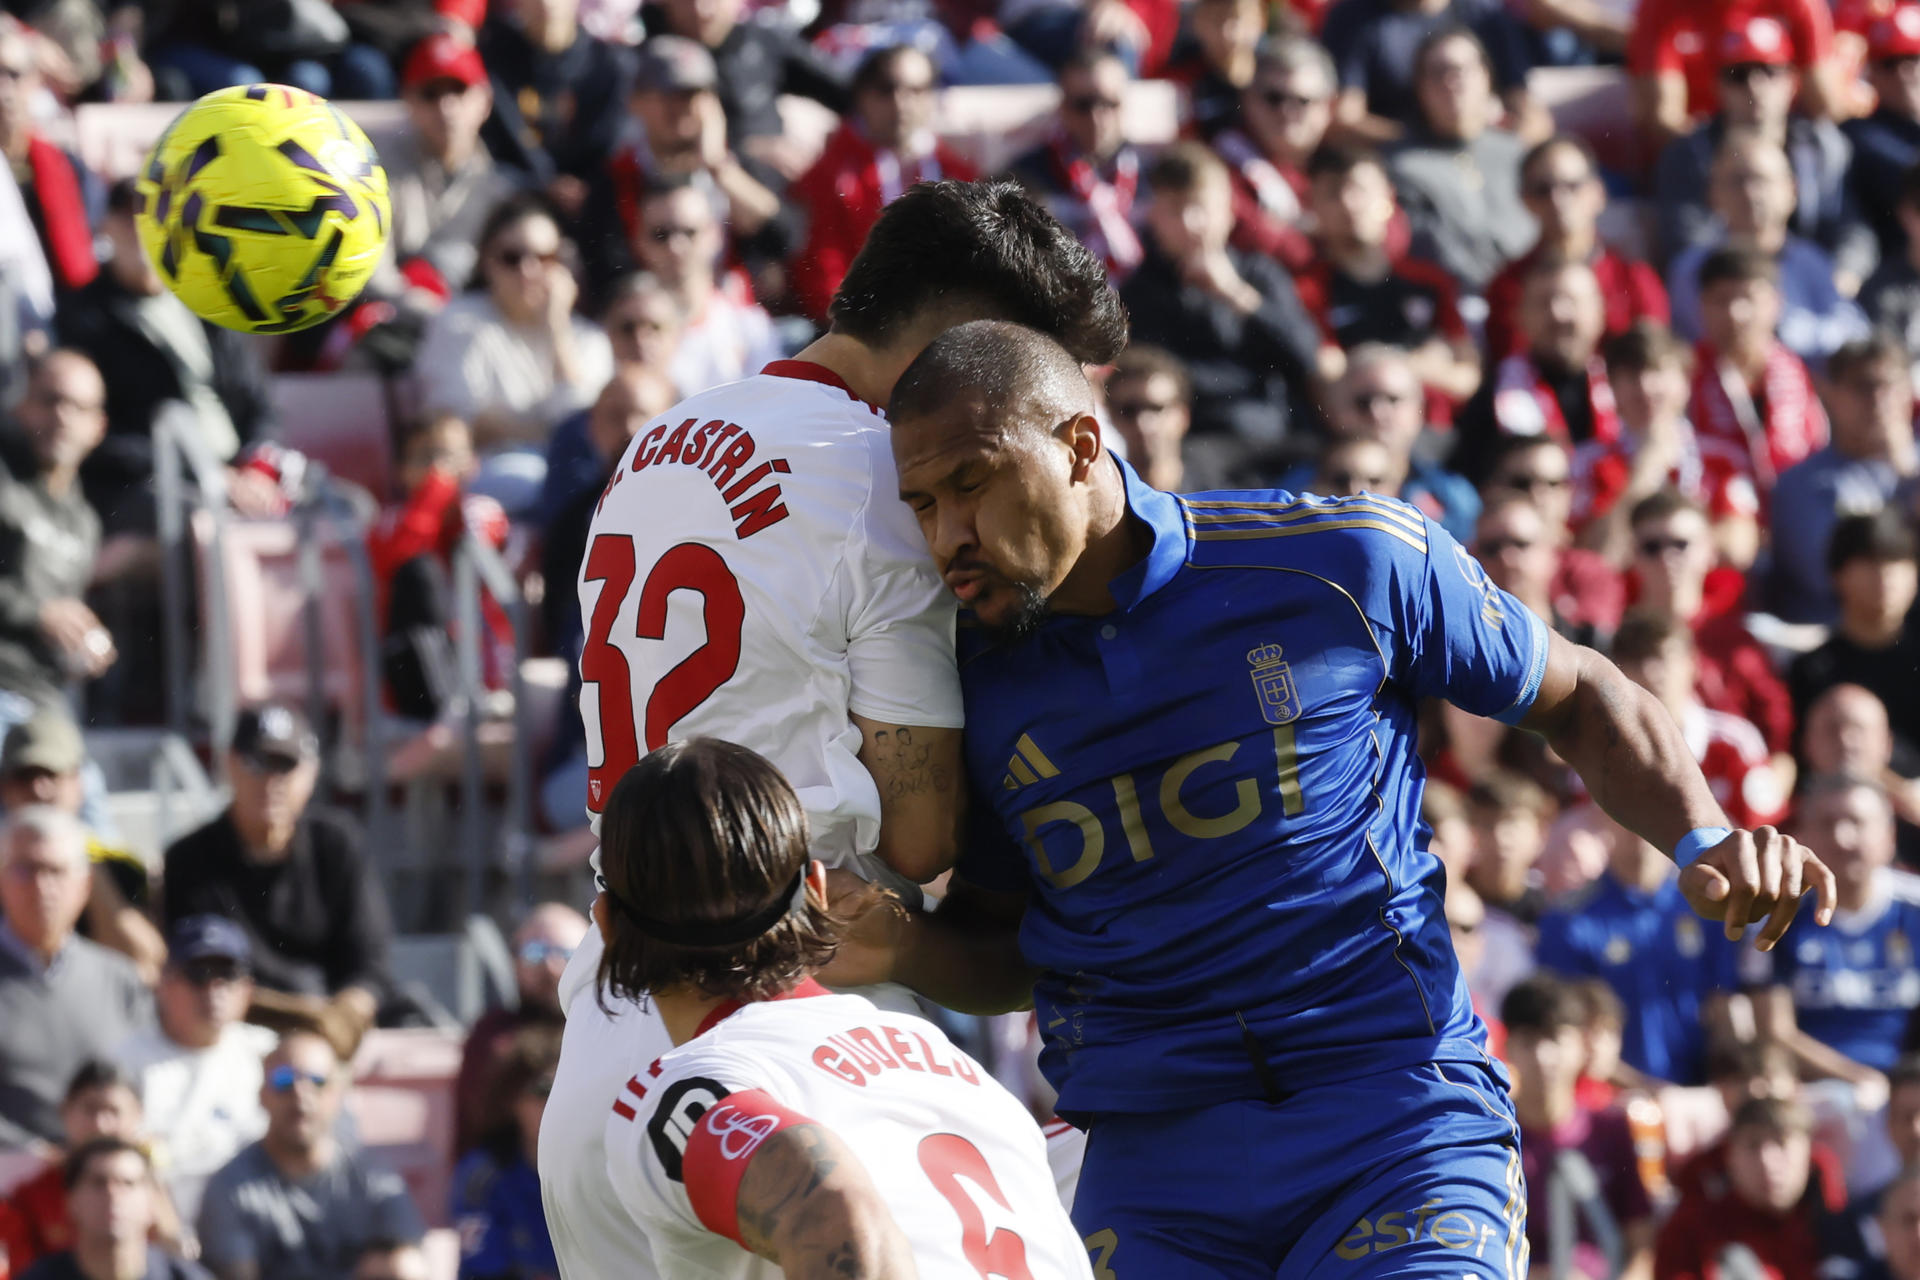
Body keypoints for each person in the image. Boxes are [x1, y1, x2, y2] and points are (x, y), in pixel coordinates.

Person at [859, 316, 1837, 1273]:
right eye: (922, 505)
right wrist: (897, 942)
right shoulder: (965, 686)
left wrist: (1701, 833)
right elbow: (1006, 948)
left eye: (972, 484)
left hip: (1394, 1121)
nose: (949, 536)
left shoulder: (1340, 560)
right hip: (1153, 1172)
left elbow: (1579, 693)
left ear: (1080, 446)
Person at [541, 178, 1126, 1280]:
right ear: (964, 340)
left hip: (616, 1000)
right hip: (788, 1014)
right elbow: (916, 839)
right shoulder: (882, 475)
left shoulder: (661, 434)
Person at [593, 738, 1095, 1277]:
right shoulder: (954, 1067)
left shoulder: (689, 1093)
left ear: (606, 925)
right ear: (816, 890)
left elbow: (834, 1213)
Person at [162, 705, 394, 1061]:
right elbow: (194, 975)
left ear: (311, 773)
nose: (271, 780)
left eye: (285, 765)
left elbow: (370, 967)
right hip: (227, 1043)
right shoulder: (189, 859)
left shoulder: (337, 844)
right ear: (230, 764)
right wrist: (310, 1017)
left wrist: (344, 1016)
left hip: (328, 1044)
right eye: (257, 763)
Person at [60, 181, 278, 541]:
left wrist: (256, 467)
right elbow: (100, 436)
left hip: (237, 473)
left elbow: (259, 402)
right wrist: (204, 472)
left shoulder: (207, 302)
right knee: (206, 525)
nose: (145, 229)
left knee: (348, 508)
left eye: (158, 217)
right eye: (132, 217)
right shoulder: (84, 317)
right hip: (149, 483)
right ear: (106, 226)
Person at [412, 194, 616, 504]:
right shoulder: (459, 322)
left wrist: (556, 327)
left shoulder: (588, 337)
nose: (528, 270)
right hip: (487, 476)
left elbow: (582, 430)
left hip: (573, 478)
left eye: (544, 258)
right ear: (486, 262)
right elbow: (456, 426)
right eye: (512, 257)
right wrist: (550, 434)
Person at [1117, 142, 1320, 447]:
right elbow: (1160, 376)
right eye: (1175, 209)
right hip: (1190, 445)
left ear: (1228, 212)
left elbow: (1306, 355)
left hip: (1275, 441)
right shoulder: (1140, 292)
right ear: (1155, 216)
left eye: (1200, 207)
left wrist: (1235, 295)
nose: (1190, 224)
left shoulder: (1259, 274)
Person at [1654, 18, 1873, 289]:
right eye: (1739, 75)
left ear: (1792, 81)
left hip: (1809, 287)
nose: (1755, 87)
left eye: (1769, 71)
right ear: (1718, 86)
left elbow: (1850, 230)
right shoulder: (1688, 153)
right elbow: (1687, 239)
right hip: (1726, 288)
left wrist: (1841, 277)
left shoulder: (1824, 146)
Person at [196, 1031, 425, 1280]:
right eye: (284, 1081)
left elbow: (408, 1259)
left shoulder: (372, 1176)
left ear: (338, 1095)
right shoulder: (231, 1187)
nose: (300, 1094)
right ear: (262, 1096)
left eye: (317, 1081)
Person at [1536, 813, 1741, 1084]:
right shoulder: (1568, 921)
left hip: (1702, 1098)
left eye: (1655, 811)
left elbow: (1723, 1007)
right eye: (1628, 811)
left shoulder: (1706, 906)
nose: (1642, 827)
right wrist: (1651, 1093)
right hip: (1612, 1103)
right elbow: (1569, 1032)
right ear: (1605, 819)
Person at [1746, 775, 1920, 1089]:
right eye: (1827, 824)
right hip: (1813, 1094)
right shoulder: (1778, 915)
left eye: (1856, 822)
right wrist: (1859, 1080)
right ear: (1804, 837)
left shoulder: (1914, 909)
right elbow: (1773, 1031)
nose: (1843, 837)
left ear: (1890, 836)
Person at [787, 45, 977, 323]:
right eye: (886, 89)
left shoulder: (959, 173)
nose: (901, 103)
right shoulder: (830, 174)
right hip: (858, 331)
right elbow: (821, 271)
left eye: (916, 90)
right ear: (862, 96)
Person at [586, 34, 786, 292]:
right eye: (666, 94)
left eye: (690, 95)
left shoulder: (735, 164)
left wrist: (719, 169)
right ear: (636, 101)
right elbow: (607, 268)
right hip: (652, 314)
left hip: (730, 314)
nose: (679, 108)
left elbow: (783, 239)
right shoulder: (614, 177)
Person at [0, 808, 148, 1154]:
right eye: (27, 869)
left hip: (107, 1181)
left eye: (56, 871)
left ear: (84, 886)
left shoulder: (120, 979)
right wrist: (38, 1156)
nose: (42, 885)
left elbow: (145, 1081)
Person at [114, 917, 275, 1230]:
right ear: (163, 983)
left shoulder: (269, 1054)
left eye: (227, 975)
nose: (213, 990)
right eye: (198, 975)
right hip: (162, 1235)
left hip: (261, 1233)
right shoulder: (123, 1062)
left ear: (247, 989)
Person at [1291, 143, 1479, 407]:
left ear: (1389, 198)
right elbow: (1329, 378)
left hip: (1440, 431)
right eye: (1334, 192)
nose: (1349, 202)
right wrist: (1421, 364)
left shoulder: (1431, 280)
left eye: (1360, 189)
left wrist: (1362, 364)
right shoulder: (1307, 290)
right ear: (1312, 206)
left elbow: (1466, 376)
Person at [1668, 133, 1871, 369]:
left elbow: (1856, 333)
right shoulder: (1691, 269)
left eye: (1761, 180)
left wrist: (1792, 332)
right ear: (1713, 194)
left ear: (1792, 191)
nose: (1750, 193)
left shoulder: (1812, 261)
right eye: (1737, 181)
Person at [1502, 975, 1656, 1280]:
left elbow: (1642, 1244)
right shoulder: (1493, 1137)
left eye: (1555, 1038)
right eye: (1529, 1040)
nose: (1543, 1057)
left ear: (1581, 1045)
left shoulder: (1611, 1128)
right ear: (1508, 1046)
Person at [1573, 325, 1758, 567]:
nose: (1646, 387)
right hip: (1629, 603)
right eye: (1631, 375)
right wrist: (1645, 472)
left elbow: (1738, 550)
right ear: (1612, 389)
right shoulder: (1587, 462)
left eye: (1658, 371)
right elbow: (1600, 557)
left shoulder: (1723, 457)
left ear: (1686, 381)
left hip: (1713, 603)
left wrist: (1649, 545)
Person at [1626, 492, 1790, 759]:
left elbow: (1778, 743)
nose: (1668, 557)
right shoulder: (1610, 637)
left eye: (1681, 544)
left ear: (1709, 551)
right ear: (1633, 554)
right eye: (1652, 546)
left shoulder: (1737, 643)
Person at [1769, 334, 1920, 623]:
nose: (1878, 399)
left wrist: (1906, 473)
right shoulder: (1802, 484)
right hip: (1837, 640)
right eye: (1864, 386)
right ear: (1831, 393)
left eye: (1890, 385)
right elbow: (1826, 575)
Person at [1485, 135, 1670, 359]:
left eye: (1572, 186)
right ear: (1525, 201)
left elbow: (1651, 360)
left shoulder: (1634, 279)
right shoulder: (1509, 288)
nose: (1558, 199)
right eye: (1543, 189)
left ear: (1598, 194)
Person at [375, 33, 524, 302]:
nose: (446, 107)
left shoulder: (503, 190)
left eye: (458, 90)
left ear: (486, 101)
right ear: (407, 100)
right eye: (430, 93)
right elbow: (373, 272)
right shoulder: (377, 173)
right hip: (392, 319)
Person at [1385, 28, 1536, 294]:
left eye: (1463, 69)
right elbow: (1430, 249)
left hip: (1534, 292)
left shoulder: (1516, 152)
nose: (1451, 81)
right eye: (1438, 71)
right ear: (1420, 87)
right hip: (1462, 298)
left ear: (1486, 76)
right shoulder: (1401, 167)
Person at [1278, 344, 1482, 539]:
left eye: (1393, 399)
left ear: (1419, 409)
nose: (1378, 413)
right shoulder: (1293, 492)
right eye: (1364, 401)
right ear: (1335, 409)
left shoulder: (1454, 498)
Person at [0, 350, 111, 708]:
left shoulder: (85, 522)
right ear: (22, 406)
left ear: (99, 427)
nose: (63, 417)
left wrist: (81, 643)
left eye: (79, 408)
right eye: (51, 401)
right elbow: (44, 612)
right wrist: (39, 613)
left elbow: (61, 613)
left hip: (44, 699)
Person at [1612, 610, 1788, 831]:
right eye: (1635, 659)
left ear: (1692, 665)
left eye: (1661, 657)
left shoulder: (1735, 742)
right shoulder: (1602, 744)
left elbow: (1765, 830)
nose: (1650, 671)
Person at [1654, 1096, 1849, 1280]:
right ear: (1730, 1157)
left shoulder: (1844, 1228)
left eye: (1782, 1143)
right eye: (1753, 1145)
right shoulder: (1692, 1231)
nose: (1767, 1162)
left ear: (1809, 1153)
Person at [1688, 246, 1829, 492]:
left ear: (1777, 303)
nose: (1736, 314)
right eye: (1722, 300)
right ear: (1702, 305)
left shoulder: (1800, 372)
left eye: (1748, 299)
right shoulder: (1685, 375)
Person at [452, 902, 585, 1158]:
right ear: (514, 961)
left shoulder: (614, 1031)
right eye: (535, 952)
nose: (550, 965)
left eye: (567, 954)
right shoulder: (492, 1037)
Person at [1456, 257, 1614, 472]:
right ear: (1521, 316)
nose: (1559, 314)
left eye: (1572, 301)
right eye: (1543, 302)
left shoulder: (1631, 388)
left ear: (1600, 311)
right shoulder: (1491, 401)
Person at [1789, 512, 1920, 765]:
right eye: (1870, 561)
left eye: (1897, 560)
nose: (1886, 576)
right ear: (1837, 574)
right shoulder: (1814, 671)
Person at [478, 0, 633, 211]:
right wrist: (540, 184)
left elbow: (609, 147)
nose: (546, 4)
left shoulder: (610, 66)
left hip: (593, 200)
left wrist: (581, 184)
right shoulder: (492, 60)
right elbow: (492, 147)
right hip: (515, 200)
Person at [632, 180, 780, 397]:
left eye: (689, 232)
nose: (676, 246)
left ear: (715, 235)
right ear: (640, 241)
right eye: (661, 234)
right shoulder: (625, 328)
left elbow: (770, 404)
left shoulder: (748, 326)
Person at [1006, 50, 1146, 278]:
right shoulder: (1025, 176)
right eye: (1084, 105)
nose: (1097, 118)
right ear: (1063, 108)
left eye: (1109, 103)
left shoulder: (1152, 173)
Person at [1319, 0, 1537, 143]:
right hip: (1399, 166)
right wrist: (1423, 142)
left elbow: (1531, 116)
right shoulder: (1352, 18)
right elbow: (1344, 120)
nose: (1449, 82)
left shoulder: (1485, 15)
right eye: (1438, 73)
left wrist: (1497, 147)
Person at [1629, 0, 1839, 145]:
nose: (1753, 84)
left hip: (1783, 138)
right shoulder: (1661, 7)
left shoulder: (1799, 4)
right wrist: (1731, 156)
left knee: (1830, 145)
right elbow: (1663, 119)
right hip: (1703, 146)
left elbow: (1824, 105)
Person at [4, 1062, 150, 1272]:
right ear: (65, 1111)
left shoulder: (154, 1190)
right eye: (90, 1110)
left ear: (138, 1114)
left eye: (114, 1111)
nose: (101, 1125)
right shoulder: (31, 1195)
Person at [1214, 38, 1341, 275]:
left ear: (1329, 107)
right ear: (1248, 100)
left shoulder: (1346, 162)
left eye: (1303, 100)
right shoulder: (1222, 164)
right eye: (1274, 98)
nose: (1287, 111)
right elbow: (1254, 238)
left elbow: (1390, 236)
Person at [450, 1027, 558, 1280]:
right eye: (543, 1091)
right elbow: (485, 1270)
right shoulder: (482, 1176)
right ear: (512, 1100)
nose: (555, 1102)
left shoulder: (603, 1168)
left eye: (566, 1088)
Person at [18, 1138, 208, 1280]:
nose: (113, 1195)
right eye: (98, 1183)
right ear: (71, 1202)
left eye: (128, 1183)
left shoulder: (184, 1276)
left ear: (152, 1204)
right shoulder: (37, 1276)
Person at [0, 24, 97, 296]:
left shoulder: (67, 166)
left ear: (34, 82)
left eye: (13, 74)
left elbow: (83, 262)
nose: (4, 89)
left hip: (67, 310)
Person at [1847, 10, 1920, 261]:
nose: (1904, 73)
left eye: (1912, 59)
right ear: (1871, 75)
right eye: (1889, 63)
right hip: (1897, 274)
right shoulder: (1859, 134)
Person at [1102, 345, 1193, 492]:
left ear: (1183, 416)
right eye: (1128, 411)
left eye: (1156, 408)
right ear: (1110, 416)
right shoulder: (1100, 502)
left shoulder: (1223, 494)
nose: (1143, 423)